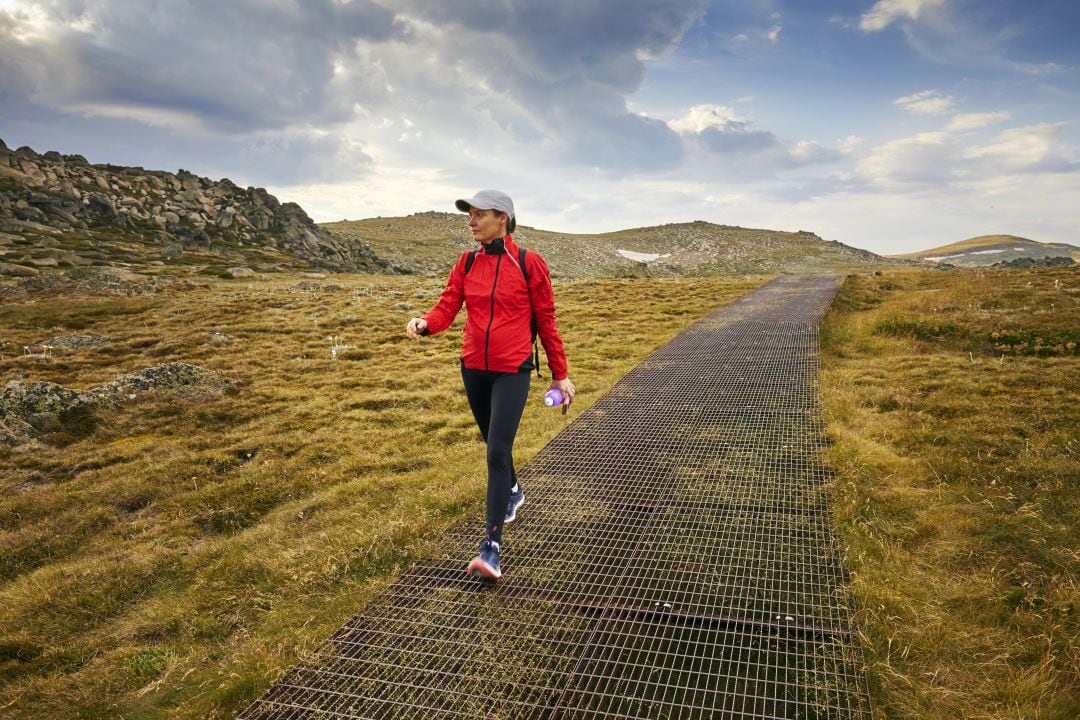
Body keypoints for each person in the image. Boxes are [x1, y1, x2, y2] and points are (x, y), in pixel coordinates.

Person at [406, 190, 575, 581]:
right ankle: (513, 490)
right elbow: (448, 306)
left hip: (511, 368)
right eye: (470, 214)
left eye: (479, 214)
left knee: (498, 450)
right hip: (473, 368)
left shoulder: (529, 264)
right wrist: (426, 322)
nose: (471, 221)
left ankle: (491, 549)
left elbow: (546, 321)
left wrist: (559, 373)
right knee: (492, 443)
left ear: (504, 218)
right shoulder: (465, 263)